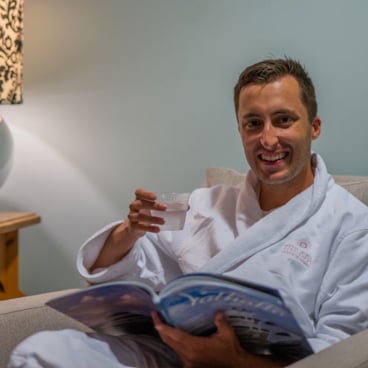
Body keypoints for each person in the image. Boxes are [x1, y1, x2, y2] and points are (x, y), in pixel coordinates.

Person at [9, 58, 368, 368]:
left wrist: (234, 361)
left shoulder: (352, 225)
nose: (268, 139)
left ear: (314, 127)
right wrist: (128, 233)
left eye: (283, 120)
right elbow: (132, 275)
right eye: (253, 123)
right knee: (41, 352)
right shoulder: (204, 205)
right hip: (168, 356)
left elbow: (341, 350)